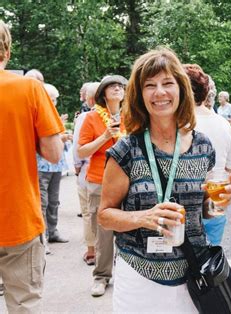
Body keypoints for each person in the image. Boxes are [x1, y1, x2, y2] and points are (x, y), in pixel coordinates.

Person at [97, 48, 231, 312]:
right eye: (150, 85)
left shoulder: (202, 146)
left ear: (181, 89)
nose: (159, 92)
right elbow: (104, 215)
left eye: (167, 83)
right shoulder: (127, 150)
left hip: (193, 273)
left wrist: (219, 202)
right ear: (139, 94)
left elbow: (204, 214)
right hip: (139, 276)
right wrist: (144, 217)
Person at [0, 20, 64, 313]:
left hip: (20, 220)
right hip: (18, 219)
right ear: (7, 51)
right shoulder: (29, 88)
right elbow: (53, 153)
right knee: (25, 305)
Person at [78, 74, 127, 297]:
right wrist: (105, 136)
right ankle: (101, 276)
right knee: (104, 233)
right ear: (103, 93)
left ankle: (130, 276)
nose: (117, 88)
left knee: (129, 229)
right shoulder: (91, 118)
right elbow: (82, 151)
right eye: (112, 86)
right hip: (99, 180)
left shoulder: (133, 116)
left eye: (121, 86)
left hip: (129, 180)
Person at [184, 64, 231, 246]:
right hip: (216, 199)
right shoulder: (223, 124)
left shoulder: (180, 124)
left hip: (185, 205)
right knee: (211, 262)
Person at [37, 82, 72, 248]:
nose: (53, 102)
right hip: (41, 166)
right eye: (50, 99)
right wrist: (62, 138)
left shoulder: (54, 115)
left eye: (55, 100)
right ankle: (42, 237)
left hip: (57, 166)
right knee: (42, 202)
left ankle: (53, 231)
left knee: (54, 201)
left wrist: (63, 137)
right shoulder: (37, 113)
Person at [73, 82, 100, 265]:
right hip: (100, 173)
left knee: (88, 212)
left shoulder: (85, 117)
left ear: (90, 99)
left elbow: (77, 147)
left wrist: (76, 166)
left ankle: (91, 251)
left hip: (87, 173)